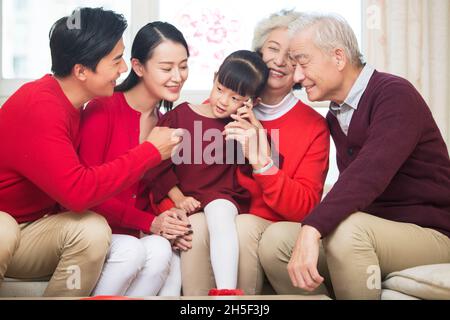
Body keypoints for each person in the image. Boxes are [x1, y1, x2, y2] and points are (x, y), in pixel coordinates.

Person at [261, 12, 450, 300]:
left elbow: (368, 174)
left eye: (302, 62)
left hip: (430, 233)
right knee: (276, 243)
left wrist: (313, 228)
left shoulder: (394, 95)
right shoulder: (336, 115)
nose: (297, 77)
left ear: (338, 57)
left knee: (348, 231)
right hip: (374, 230)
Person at [0, 8, 180, 297]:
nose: (123, 70)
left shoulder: (74, 106)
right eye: (116, 60)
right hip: (8, 224)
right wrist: (149, 152)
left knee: (93, 230)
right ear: (81, 71)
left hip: (35, 227)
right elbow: (77, 192)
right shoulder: (41, 106)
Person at [181, 10, 331, 296]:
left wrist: (263, 163)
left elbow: (306, 207)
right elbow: (187, 175)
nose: (279, 60)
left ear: (301, 67)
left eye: (292, 55)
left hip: (269, 227)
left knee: (243, 225)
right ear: (258, 55)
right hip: (217, 216)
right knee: (196, 225)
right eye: (273, 49)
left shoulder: (313, 126)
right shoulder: (218, 106)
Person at [78, 21, 192, 297]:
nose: (177, 76)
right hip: (93, 230)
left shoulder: (168, 125)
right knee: (133, 251)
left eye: (184, 65)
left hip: (133, 234)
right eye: (166, 68)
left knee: (164, 251)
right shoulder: (103, 109)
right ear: (138, 67)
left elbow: (155, 189)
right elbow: (87, 191)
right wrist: (150, 222)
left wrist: (170, 215)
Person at [149, 50, 269, 295]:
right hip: (182, 199)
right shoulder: (180, 115)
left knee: (220, 212)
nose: (223, 101)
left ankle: (226, 292)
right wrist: (178, 198)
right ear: (214, 78)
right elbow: (157, 166)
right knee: (170, 280)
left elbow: (261, 167)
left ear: (251, 102)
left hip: (222, 196)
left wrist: (254, 128)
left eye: (236, 98)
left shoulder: (240, 128)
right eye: (220, 89)